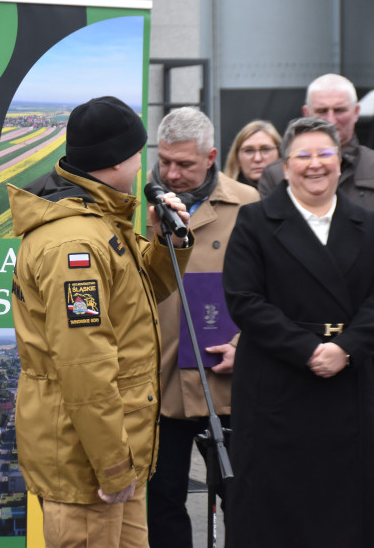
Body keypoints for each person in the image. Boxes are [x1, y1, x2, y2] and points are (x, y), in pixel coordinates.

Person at [7, 95, 192, 548]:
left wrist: (170, 242)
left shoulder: (99, 218)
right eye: (139, 149)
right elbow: (83, 366)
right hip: (90, 465)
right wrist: (112, 465)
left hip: (115, 457)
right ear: (117, 159)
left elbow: (141, 296)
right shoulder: (76, 245)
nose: (143, 160)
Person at [223, 116, 374, 547]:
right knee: (275, 506)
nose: (314, 165)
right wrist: (309, 350)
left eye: (324, 154)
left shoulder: (365, 223)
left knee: (344, 506)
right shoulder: (255, 222)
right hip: (276, 385)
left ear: (340, 163)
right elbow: (245, 300)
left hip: (346, 383)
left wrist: (345, 349)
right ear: (284, 165)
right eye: (303, 155)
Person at [258, 73, 374, 523]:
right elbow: (271, 253)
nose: (332, 118)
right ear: (306, 114)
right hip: (300, 343)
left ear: (356, 113)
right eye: (322, 111)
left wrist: (359, 270)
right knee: (301, 451)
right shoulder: (274, 176)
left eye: (340, 110)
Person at [144, 107, 258, 548]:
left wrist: (243, 346)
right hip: (159, 379)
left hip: (226, 382)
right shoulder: (137, 203)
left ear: (211, 156)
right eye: (165, 161)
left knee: (241, 497)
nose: (171, 173)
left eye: (185, 164)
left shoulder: (249, 204)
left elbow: (274, 289)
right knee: (162, 499)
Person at [223, 120, 281, 188]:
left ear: (280, 154)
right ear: (237, 157)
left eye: (265, 149)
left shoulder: (293, 195)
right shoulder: (224, 196)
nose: (257, 158)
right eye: (249, 150)